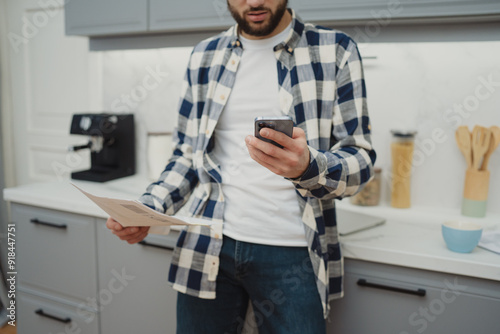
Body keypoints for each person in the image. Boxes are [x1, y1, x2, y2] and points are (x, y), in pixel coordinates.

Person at [106, 0, 376, 333]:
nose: (255, 2)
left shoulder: (335, 50)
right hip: (209, 242)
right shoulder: (205, 55)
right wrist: (147, 209)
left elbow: (360, 159)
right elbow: (187, 156)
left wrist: (308, 166)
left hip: (293, 252)